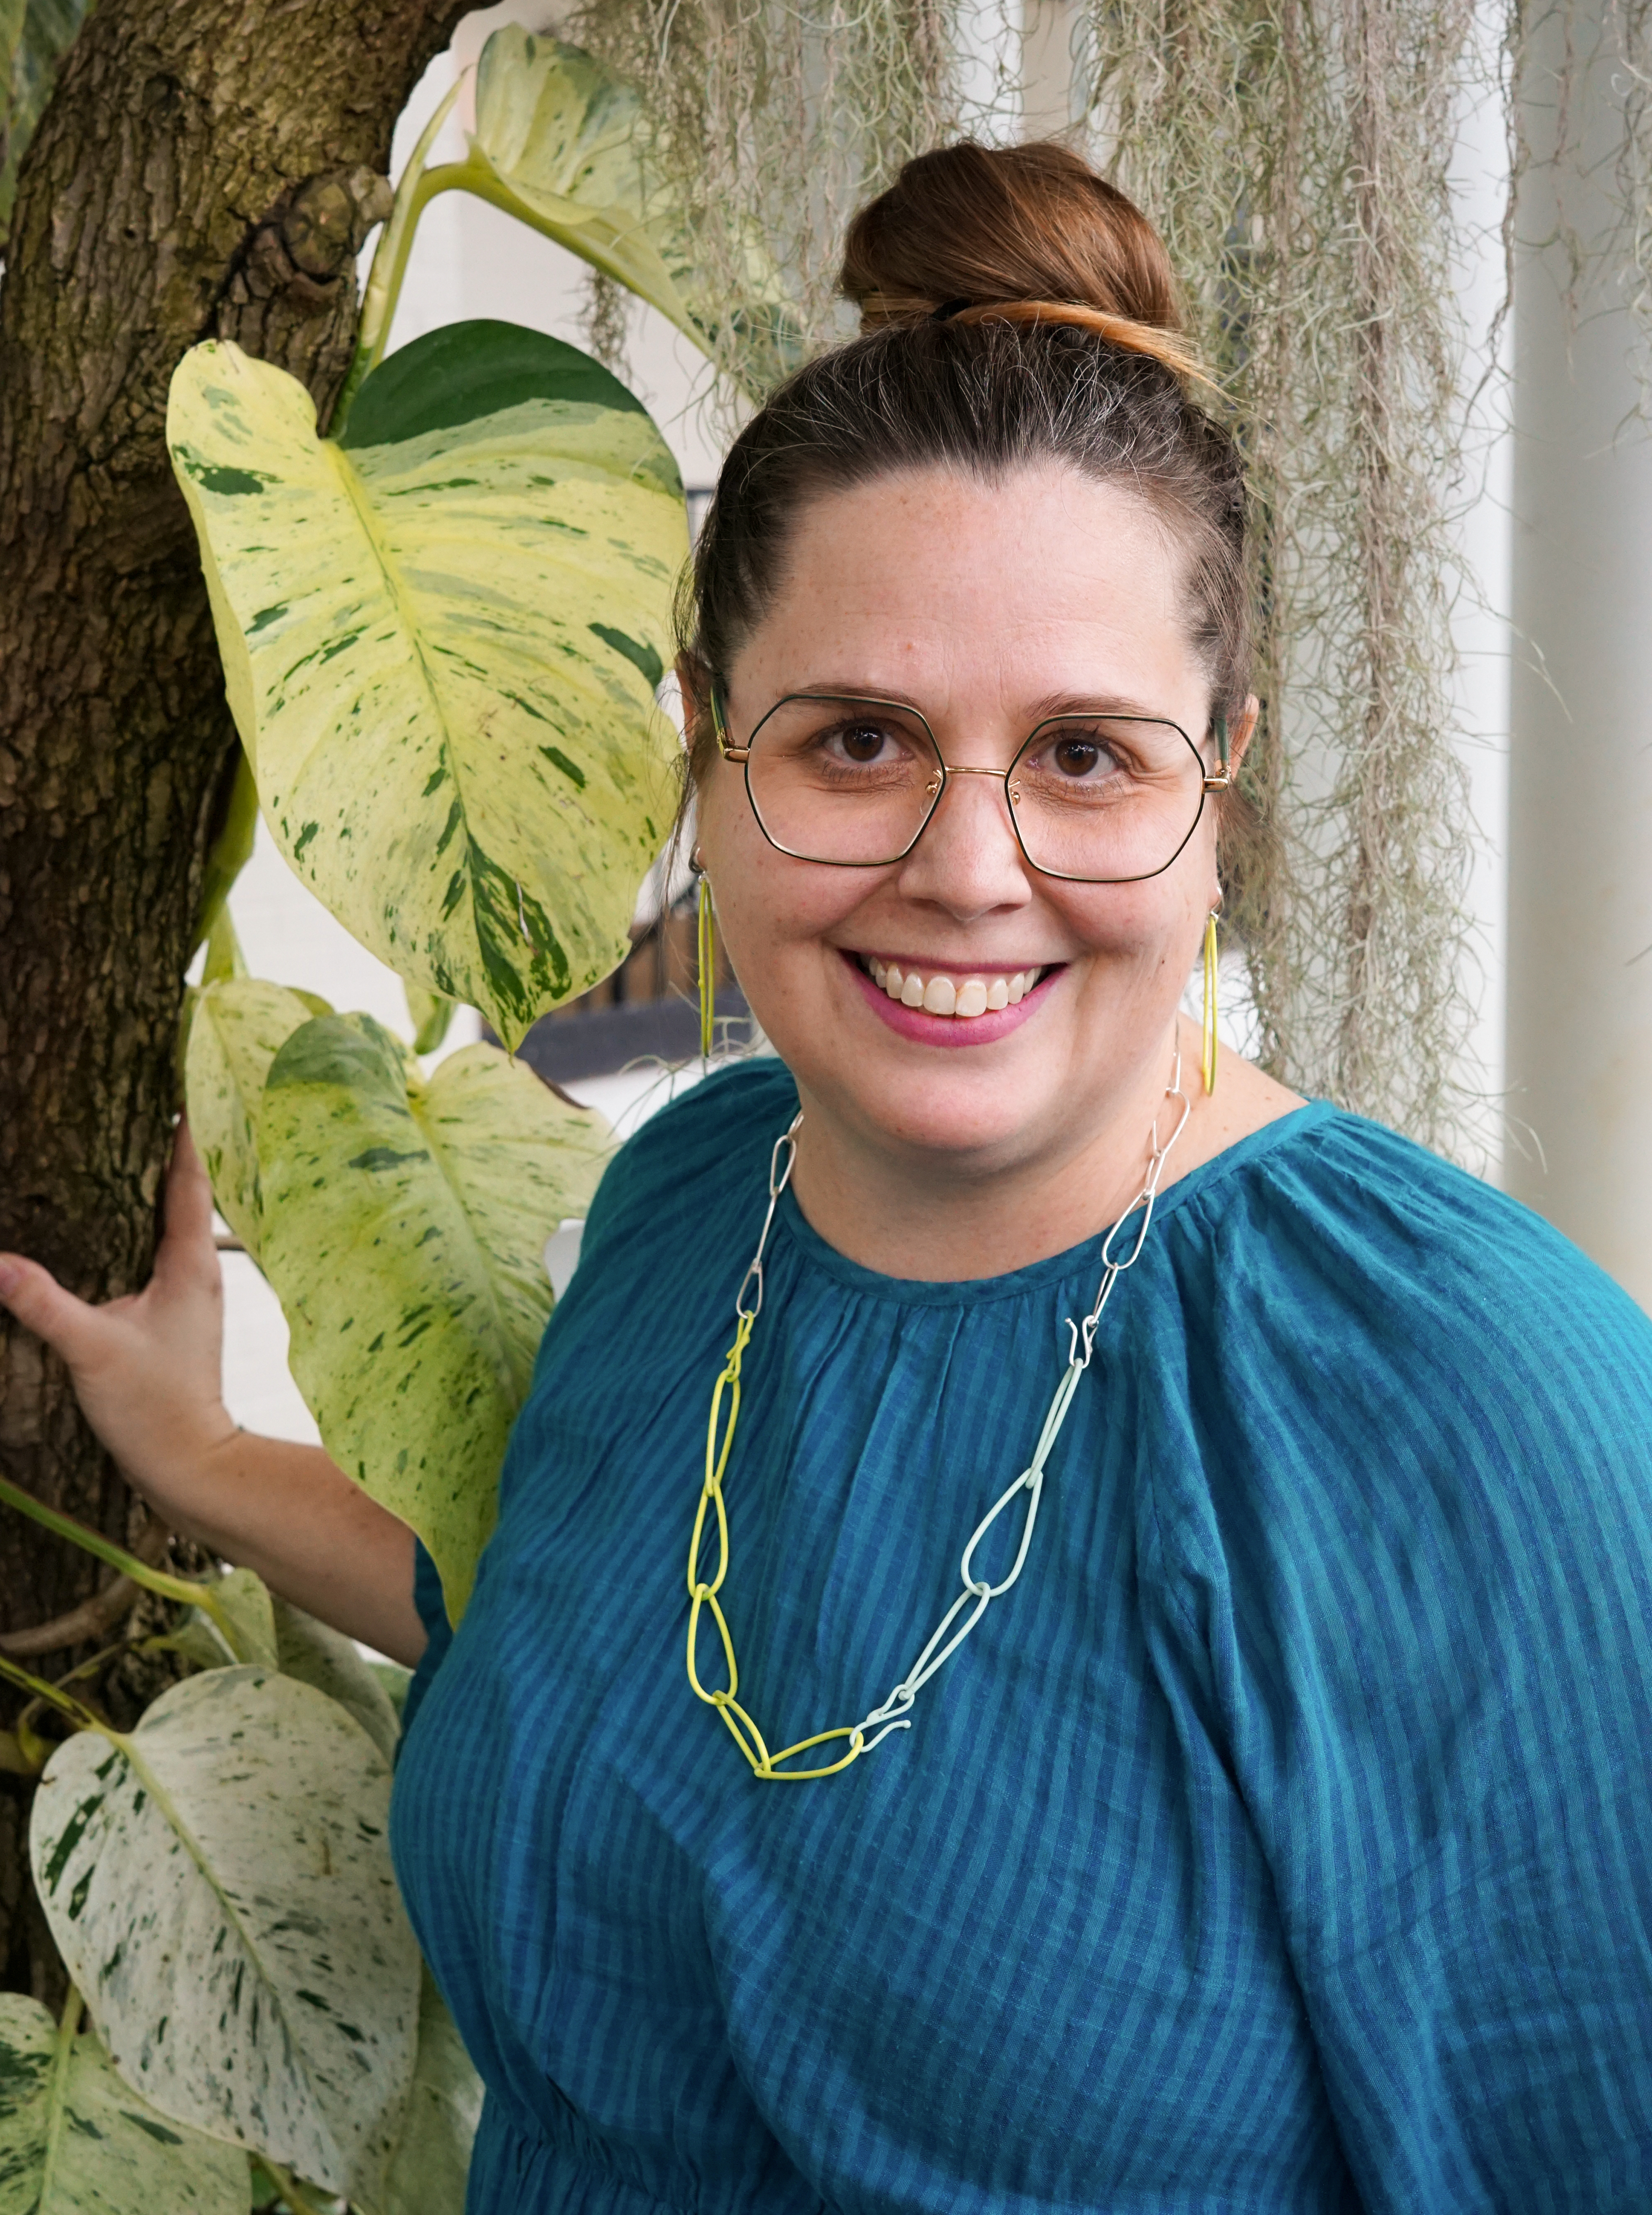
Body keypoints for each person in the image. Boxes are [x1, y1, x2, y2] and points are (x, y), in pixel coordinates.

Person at [4, 139, 1652, 2214]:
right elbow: (567, 1620)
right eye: (857, 739)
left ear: (1218, 781)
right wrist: (197, 1445)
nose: (968, 869)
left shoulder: (1476, 1404)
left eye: (1086, 752)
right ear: (711, 754)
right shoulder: (696, 1190)